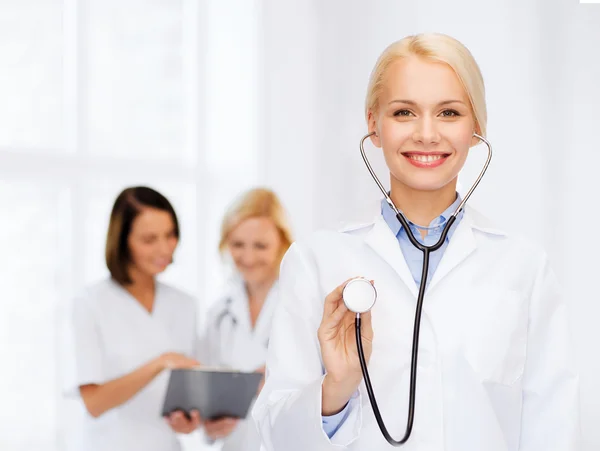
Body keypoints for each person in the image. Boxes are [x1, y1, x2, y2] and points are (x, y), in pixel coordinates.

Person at [252, 33, 580, 450]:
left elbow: (555, 426)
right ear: (373, 124)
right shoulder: (315, 260)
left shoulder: (523, 267)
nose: (427, 134)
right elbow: (274, 438)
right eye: (404, 112)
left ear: (475, 125)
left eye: (449, 112)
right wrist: (336, 388)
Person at [65, 186, 203, 451]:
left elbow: (187, 394)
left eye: (170, 235)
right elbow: (94, 403)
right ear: (122, 240)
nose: (164, 248)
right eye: (149, 239)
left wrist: (188, 419)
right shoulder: (90, 303)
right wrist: (160, 363)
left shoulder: (185, 305)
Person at [197, 188, 293, 450]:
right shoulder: (219, 314)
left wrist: (277, 379)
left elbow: (329, 394)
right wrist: (211, 423)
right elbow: (208, 397)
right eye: (238, 245)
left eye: (260, 246)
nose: (248, 258)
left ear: (282, 243)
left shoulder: (302, 306)